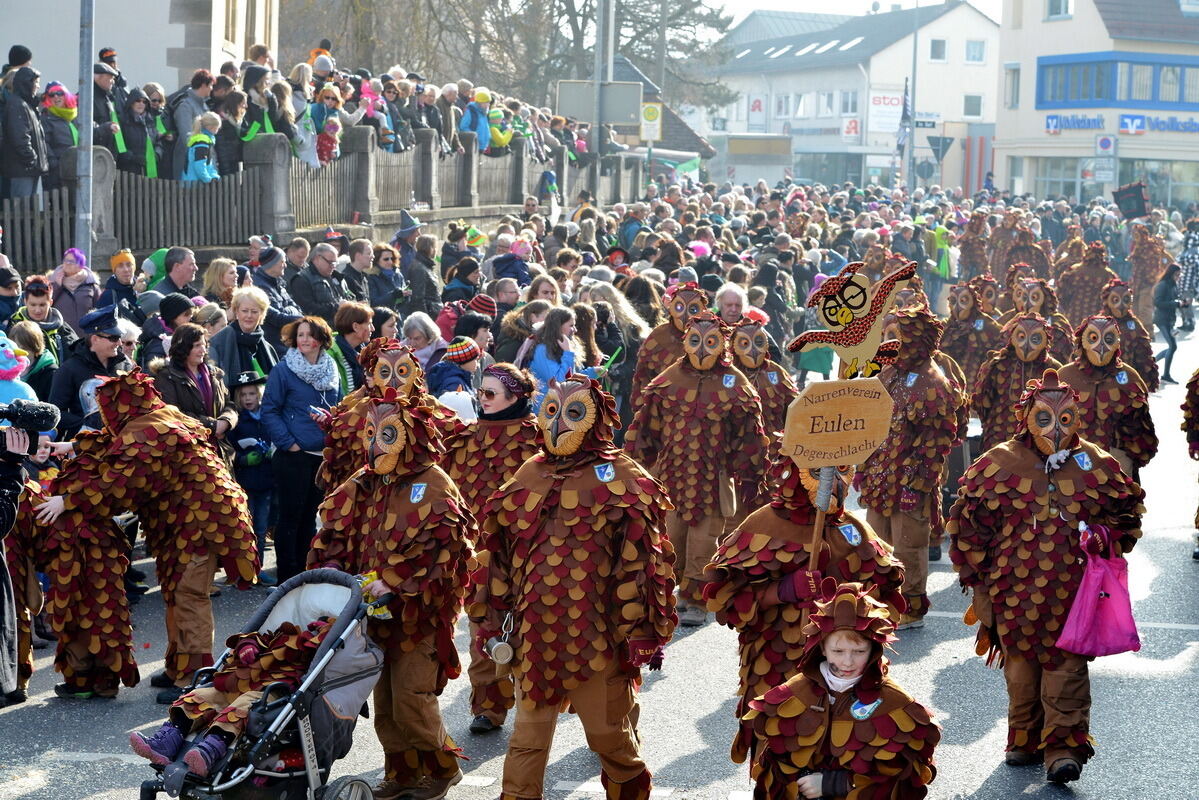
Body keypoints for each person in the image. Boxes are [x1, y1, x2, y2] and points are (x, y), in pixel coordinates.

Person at [472, 374, 676, 800]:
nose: (560, 422)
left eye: (574, 412)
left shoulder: (619, 474)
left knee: (609, 741)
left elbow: (645, 563)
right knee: (526, 741)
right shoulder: (531, 472)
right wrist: (492, 618)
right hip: (535, 640)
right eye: (552, 411)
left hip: (596, 640)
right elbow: (500, 553)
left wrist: (643, 632)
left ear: (595, 418)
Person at [948, 368, 1144, 785]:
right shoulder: (999, 462)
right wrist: (977, 582)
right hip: (1011, 589)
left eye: (1065, 419)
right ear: (1027, 418)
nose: (1055, 429)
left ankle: (1063, 748)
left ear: (1076, 417)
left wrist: (1104, 537)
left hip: (1074, 590)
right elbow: (969, 528)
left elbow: (1125, 515)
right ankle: (1023, 736)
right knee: (1020, 669)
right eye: (1044, 418)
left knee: (1066, 667)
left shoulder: (1095, 463)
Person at [37, 369, 258, 703]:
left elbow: (116, 486)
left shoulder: (149, 431)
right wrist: (74, 444)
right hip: (181, 524)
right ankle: (178, 666)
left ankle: (194, 678)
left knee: (189, 595)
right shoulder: (160, 418)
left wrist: (67, 500)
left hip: (198, 523)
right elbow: (120, 446)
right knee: (175, 592)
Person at [309, 396, 474, 800]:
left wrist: (395, 579)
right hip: (371, 615)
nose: (376, 445)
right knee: (384, 704)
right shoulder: (366, 480)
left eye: (388, 435)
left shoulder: (434, 482)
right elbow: (333, 528)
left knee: (410, 699)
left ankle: (442, 766)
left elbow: (447, 548)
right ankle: (401, 772)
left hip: (419, 613)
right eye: (372, 434)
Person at [625, 311, 768, 627]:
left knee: (704, 542)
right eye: (695, 341)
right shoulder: (670, 378)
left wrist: (751, 471)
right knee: (668, 539)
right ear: (686, 344)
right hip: (671, 476)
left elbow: (751, 433)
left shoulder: (733, 382)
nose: (703, 348)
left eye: (711, 342)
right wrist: (635, 465)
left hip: (713, 479)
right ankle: (663, 594)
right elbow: (646, 426)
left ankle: (695, 599)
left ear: (722, 346)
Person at [743, 582, 941, 799]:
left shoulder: (894, 701)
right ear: (822, 649)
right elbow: (775, 764)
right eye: (838, 650)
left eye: (859, 651)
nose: (847, 661)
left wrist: (835, 784)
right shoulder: (794, 693)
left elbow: (900, 774)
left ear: (873, 649)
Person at [441, 364, 542, 734]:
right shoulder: (465, 438)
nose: (480, 400)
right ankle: (488, 706)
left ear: (514, 397)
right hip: (481, 555)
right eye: (479, 392)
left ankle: (534, 704)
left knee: (531, 632)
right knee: (483, 631)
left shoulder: (540, 438)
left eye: (489, 394)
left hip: (530, 555)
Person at [856, 308, 966, 629]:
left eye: (897, 337)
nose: (890, 343)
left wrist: (916, 484)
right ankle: (880, 602)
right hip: (880, 477)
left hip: (909, 482)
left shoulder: (934, 382)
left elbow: (938, 442)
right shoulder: (889, 373)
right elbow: (870, 427)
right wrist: (864, 468)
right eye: (887, 336)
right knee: (876, 544)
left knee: (909, 545)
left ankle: (910, 608)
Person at [130, 616, 335, 776]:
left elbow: (324, 654)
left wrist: (325, 630)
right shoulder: (276, 635)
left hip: (268, 692)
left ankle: (208, 751)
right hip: (236, 683)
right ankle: (168, 740)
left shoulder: (312, 648)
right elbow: (250, 638)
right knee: (200, 695)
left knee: (242, 709)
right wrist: (248, 647)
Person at [260, 316, 343, 583]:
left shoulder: (332, 369)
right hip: (293, 456)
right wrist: (289, 443)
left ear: (321, 339)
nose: (304, 340)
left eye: (309, 335)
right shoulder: (283, 370)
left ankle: (304, 575)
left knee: (310, 517)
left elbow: (338, 407)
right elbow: (269, 410)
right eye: (300, 335)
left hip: (320, 456)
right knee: (290, 518)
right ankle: (287, 577)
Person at [1058, 315, 1158, 479]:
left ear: (1117, 342)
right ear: (1083, 341)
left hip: (1117, 460)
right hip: (1071, 461)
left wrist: (1129, 455)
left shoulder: (1128, 376)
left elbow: (1141, 424)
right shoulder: (1065, 375)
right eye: (1093, 338)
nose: (1101, 346)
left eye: (1108, 338)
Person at [150, 323, 238, 462]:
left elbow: (229, 404)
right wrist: (212, 426)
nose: (203, 350)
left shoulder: (214, 374)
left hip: (219, 450)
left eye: (204, 344)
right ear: (183, 348)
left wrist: (226, 422)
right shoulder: (167, 377)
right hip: (189, 455)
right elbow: (172, 414)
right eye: (197, 345)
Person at [47, 306, 134, 436]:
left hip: (123, 441)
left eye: (120, 337)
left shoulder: (125, 364)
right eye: (114, 338)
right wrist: (87, 425)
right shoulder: (69, 369)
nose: (120, 343)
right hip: (85, 445)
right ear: (95, 339)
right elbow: (55, 412)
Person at [226, 371, 274, 583]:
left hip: (266, 482)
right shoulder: (237, 420)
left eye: (252, 394)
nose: (247, 399)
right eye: (243, 394)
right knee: (244, 528)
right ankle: (242, 572)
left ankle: (259, 568)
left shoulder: (267, 416)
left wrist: (273, 453)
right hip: (244, 483)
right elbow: (228, 449)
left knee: (261, 528)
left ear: (259, 394)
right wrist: (243, 459)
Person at [629, 282, 708, 409]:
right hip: (662, 409)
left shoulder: (710, 336)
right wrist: (644, 409)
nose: (685, 315)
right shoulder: (659, 335)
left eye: (693, 309)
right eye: (679, 307)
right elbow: (642, 375)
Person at [527, 308, 605, 410]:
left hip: (562, 409)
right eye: (571, 326)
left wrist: (593, 372)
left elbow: (572, 377)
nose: (575, 330)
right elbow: (559, 382)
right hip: (546, 412)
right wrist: (568, 353)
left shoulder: (563, 347)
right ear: (558, 327)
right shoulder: (542, 350)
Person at [207, 286, 278, 389]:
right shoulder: (218, 344)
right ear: (236, 312)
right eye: (244, 311)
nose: (249, 316)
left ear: (262, 314)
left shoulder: (268, 348)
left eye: (254, 311)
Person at [8, 276, 77, 366]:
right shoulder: (13, 326)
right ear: (25, 302)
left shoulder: (62, 328)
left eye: (42, 305)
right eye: (33, 305)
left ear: (51, 303)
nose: (37, 310)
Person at [1, 66, 48, 198]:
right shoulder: (18, 105)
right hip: (22, 169)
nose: (38, 86)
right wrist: (32, 159)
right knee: (22, 211)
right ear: (27, 83)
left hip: (27, 169)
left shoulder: (27, 105)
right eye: (36, 82)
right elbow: (20, 138)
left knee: (27, 211)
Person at [251, 245, 302, 354]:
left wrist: (292, 311)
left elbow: (296, 306)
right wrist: (301, 319)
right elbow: (276, 318)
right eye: (282, 261)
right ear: (272, 264)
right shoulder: (260, 287)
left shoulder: (279, 283)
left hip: (288, 341)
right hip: (275, 346)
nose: (285, 265)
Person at [289, 242, 347, 325]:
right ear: (317, 258)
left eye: (335, 263)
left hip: (341, 326)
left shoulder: (336, 276)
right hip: (318, 330)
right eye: (330, 262)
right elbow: (308, 310)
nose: (333, 266)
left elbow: (346, 297)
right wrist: (337, 307)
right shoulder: (301, 279)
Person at [49, 248, 101, 337]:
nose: (67, 263)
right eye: (66, 260)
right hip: (62, 337)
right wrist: (57, 285)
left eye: (72, 261)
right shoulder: (52, 282)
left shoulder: (91, 285)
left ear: (81, 265)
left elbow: (100, 310)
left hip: (86, 337)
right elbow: (47, 303)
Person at [136, 292, 195, 369]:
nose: (190, 318)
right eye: (186, 314)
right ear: (172, 316)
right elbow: (151, 372)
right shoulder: (158, 342)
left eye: (192, 314)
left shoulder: (177, 333)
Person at [38, 80, 76, 192]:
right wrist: (54, 162)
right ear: (48, 99)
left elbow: (91, 132)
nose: (56, 97)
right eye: (51, 94)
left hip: (75, 167)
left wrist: (106, 127)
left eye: (59, 93)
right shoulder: (46, 118)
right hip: (57, 171)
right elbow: (44, 142)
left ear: (66, 95)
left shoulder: (75, 116)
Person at [7, 321, 55, 401]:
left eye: (24, 348)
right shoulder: (4, 367)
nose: (19, 351)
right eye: (15, 347)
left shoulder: (50, 372)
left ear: (35, 347)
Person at [1153, 263, 1183, 383]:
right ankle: (1165, 374)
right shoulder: (1162, 285)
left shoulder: (1173, 284)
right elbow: (1158, 303)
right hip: (1162, 320)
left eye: (1179, 274)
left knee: (1172, 346)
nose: (1178, 276)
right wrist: (1175, 303)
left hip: (1170, 320)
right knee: (1172, 346)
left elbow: (1173, 300)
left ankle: (1152, 362)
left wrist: (1182, 303)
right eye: (1177, 274)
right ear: (1171, 273)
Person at [401, 234, 443, 319]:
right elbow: (417, 298)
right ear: (430, 248)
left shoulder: (425, 266)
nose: (436, 250)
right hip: (428, 316)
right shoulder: (419, 268)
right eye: (435, 247)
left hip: (433, 312)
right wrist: (425, 320)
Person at [97, 249, 146, 313]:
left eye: (129, 265)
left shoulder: (144, 288)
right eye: (120, 266)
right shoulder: (108, 296)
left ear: (134, 268)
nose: (126, 270)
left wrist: (141, 294)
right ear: (114, 271)